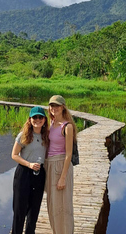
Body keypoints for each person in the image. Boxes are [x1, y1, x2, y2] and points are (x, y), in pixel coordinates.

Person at [11, 106, 49, 234]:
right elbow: (14, 155)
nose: (37, 120)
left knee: (34, 211)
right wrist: (29, 164)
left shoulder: (46, 136)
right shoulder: (24, 135)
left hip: (39, 175)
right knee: (19, 211)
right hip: (24, 174)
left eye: (40, 117)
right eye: (34, 117)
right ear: (30, 119)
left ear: (44, 120)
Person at [44, 95, 77, 234]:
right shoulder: (50, 123)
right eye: (52, 105)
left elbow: (69, 154)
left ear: (63, 107)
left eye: (57, 105)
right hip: (49, 165)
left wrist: (63, 177)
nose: (54, 108)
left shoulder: (67, 126)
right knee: (52, 204)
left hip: (60, 165)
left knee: (63, 205)